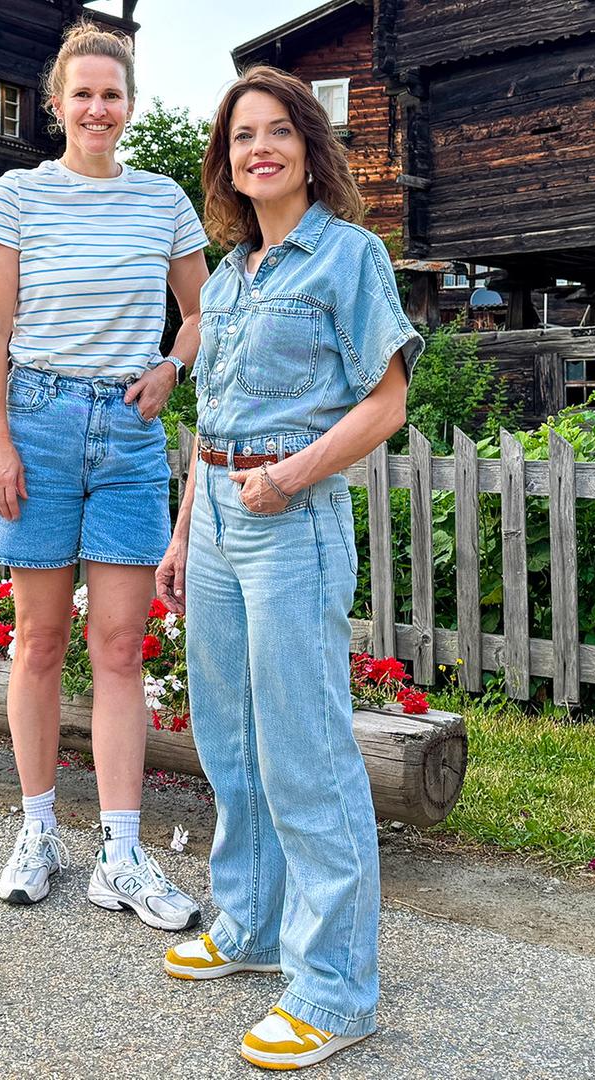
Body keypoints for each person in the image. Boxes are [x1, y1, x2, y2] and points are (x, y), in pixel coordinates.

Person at [155, 66, 423, 1071]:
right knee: (230, 739)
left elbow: (385, 403)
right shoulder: (227, 278)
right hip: (219, 517)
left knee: (305, 750)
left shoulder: (347, 258)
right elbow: (210, 423)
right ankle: (253, 926)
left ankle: (338, 990)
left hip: (292, 518)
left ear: (309, 149)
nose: (255, 149)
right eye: (239, 138)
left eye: (275, 132)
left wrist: (292, 476)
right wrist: (187, 532)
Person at [0, 20, 209, 930]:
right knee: (38, 641)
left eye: (113, 94)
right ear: (56, 104)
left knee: (118, 648)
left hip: (130, 431)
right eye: (84, 94)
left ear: (130, 106)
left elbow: (201, 310)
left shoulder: (163, 201)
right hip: (36, 424)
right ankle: (37, 830)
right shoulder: (15, 197)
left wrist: (173, 368)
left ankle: (122, 851)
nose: (98, 108)